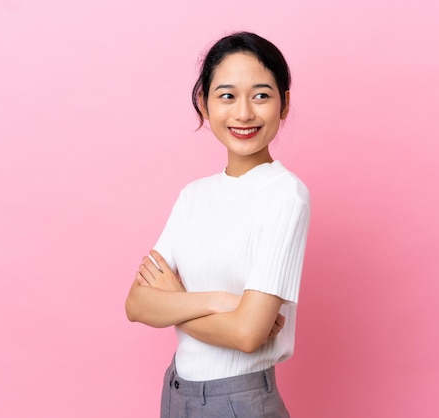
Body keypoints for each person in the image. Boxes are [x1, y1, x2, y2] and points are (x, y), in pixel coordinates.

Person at [125, 31, 310, 418]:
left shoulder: (284, 196)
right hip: (176, 391)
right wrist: (218, 302)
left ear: (284, 104)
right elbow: (137, 304)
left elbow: (247, 334)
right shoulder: (193, 196)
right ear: (204, 103)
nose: (243, 113)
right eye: (227, 95)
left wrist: (173, 301)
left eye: (261, 95)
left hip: (238, 401)